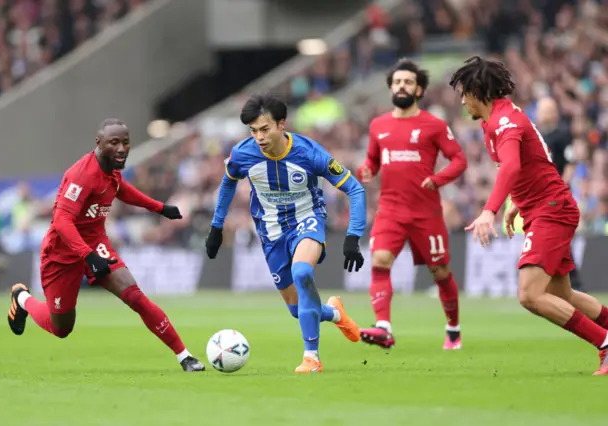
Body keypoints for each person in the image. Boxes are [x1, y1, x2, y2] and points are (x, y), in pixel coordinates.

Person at [449, 56, 608, 375]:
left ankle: (604, 343)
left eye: (464, 92)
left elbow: (512, 166)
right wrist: (517, 204)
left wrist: (489, 211)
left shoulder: (505, 122)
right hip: (543, 207)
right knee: (561, 294)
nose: (462, 99)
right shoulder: (492, 122)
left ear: (478, 90)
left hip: (552, 210)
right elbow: (537, 162)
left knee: (529, 294)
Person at [6, 118, 205, 372]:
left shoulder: (111, 170)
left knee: (135, 296)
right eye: (114, 143)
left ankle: (184, 356)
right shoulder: (82, 175)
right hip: (62, 253)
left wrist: (160, 208)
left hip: (96, 245)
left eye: (125, 142)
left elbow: (121, 190)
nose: (122, 148)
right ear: (99, 144)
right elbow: (62, 221)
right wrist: (87, 256)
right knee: (61, 328)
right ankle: (22, 298)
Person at [204, 93, 366, 373]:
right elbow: (228, 182)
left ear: (282, 125)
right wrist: (216, 226)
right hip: (271, 232)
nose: (259, 137)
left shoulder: (309, 153)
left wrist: (353, 235)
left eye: (265, 129)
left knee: (303, 273)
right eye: (253, 131)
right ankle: (336, 313)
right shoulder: (243, 154)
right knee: (296, 308)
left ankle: (311, 358)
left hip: (308, 219)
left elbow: (355, 189)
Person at [357, 59, 467, 350]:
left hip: (425, 213)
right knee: (380, 261)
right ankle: (383, 327)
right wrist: (367, 169)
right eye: (396, 82)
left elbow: (459, 159)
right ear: (391, 88)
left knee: (440, 273)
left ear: (418, 89)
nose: (401, 86)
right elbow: (372, 160)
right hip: (390, 210)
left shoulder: (434, 125)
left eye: (407, 82)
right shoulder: (378, 125)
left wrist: (439, 178)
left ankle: (453, 329)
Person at [535, 97, 584, 291]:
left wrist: (559, 187)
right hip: (543, 196)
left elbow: (571, 163)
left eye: (546, 110)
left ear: (553, 112)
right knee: (557, 240)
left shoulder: (562, 134)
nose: (542, 113)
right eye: (541, 109)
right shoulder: (539, 135)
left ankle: (573, 284)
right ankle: (568, 284)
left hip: (556, 196)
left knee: (555, 237)